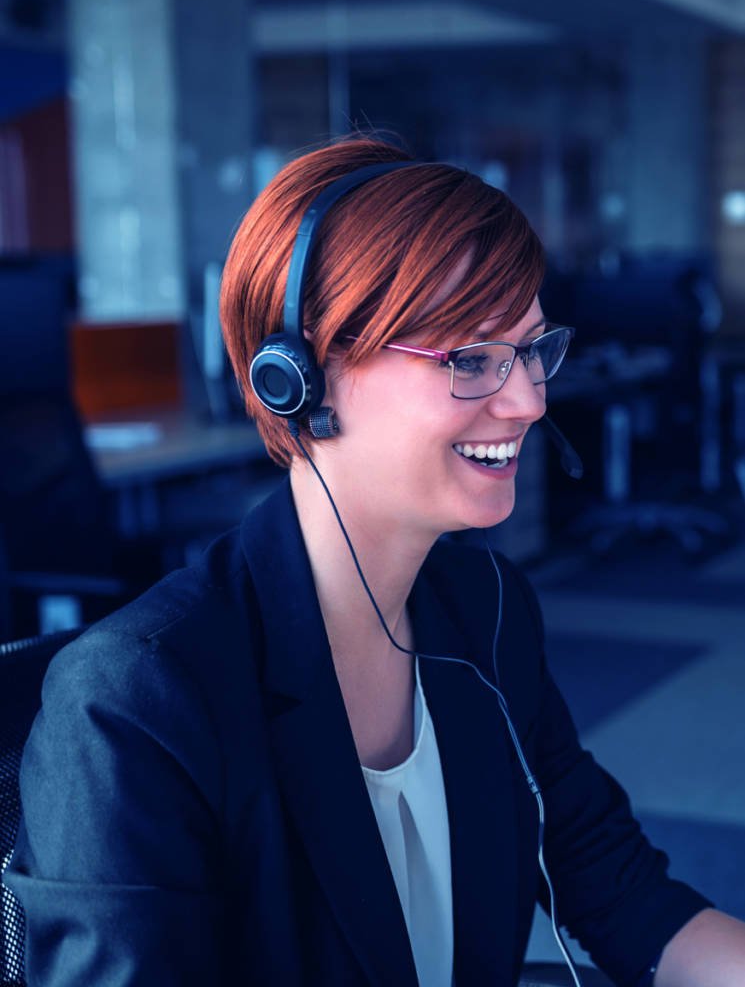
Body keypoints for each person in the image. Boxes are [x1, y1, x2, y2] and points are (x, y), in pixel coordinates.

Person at [5, 138, 745, 987]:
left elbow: (621, 894)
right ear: (304, 373)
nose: (529, 400)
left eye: (532, 349)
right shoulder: (139, 701)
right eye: (470, 360)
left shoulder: (486, 607)